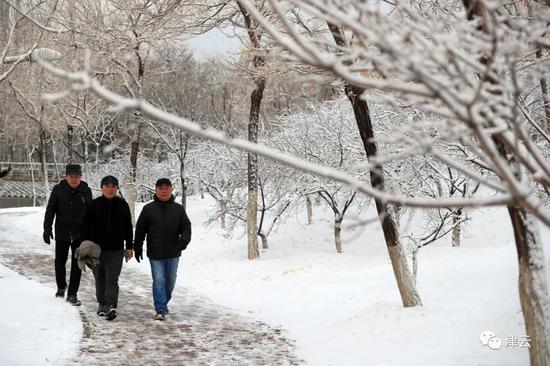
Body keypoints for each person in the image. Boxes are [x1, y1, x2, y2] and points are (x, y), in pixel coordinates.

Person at [134, 178, 191, 321]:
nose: (164, 191)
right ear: (156, 190)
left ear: (171, 190)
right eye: (161, 188)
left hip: (173, 251)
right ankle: (160, 308)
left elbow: (186, 227)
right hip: (155, 253)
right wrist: (138, 246)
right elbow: (140, 230)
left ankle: (164, 304)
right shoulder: (148, 209)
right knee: (158, 280)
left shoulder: (178, 209)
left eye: (167, 188)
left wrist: (183, 241)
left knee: (170, 281)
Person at [80, 175, 133, 321]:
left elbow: (128, 227)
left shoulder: (123, 205)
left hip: (116, 250)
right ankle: (101, 303)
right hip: (97, 250)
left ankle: (111, 305)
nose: (110, 189)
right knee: (99, 277)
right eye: (107, 186)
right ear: (102, 188)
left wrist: (129, 246)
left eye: (113, 186)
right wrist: (85, 245)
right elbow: (85, 226)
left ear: (117, 188)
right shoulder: (94, 204)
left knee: (112, 278)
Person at [43, 164, 92, 306]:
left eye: (77, 176)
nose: (74, 179)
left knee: (77, 264)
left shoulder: (86, 190)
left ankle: (72, 294)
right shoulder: (58, 190)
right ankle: (61, 286)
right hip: (62, 232)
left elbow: (91, 213)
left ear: (80, 177)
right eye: (71, 176)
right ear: (66, 176)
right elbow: (51, 209)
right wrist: (47, 228)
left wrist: (91, 233)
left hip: (80, 234)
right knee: (60, 262)